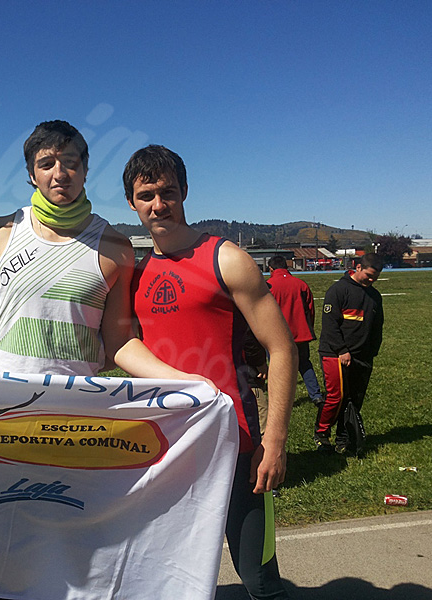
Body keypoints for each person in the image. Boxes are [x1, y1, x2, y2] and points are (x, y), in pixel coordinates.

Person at [0, 122, 213, 600]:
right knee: (5, 551)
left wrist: (186, 383)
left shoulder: (115, 247)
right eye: (47, 164)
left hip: (79, 424)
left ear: (85, 170)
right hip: (10, 421)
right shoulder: (2, 233)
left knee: (74, 551)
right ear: (31, 174)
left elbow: (118, 344)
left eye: (70, 163)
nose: (59, 173)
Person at [125, 145, 297, 600]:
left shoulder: (227, 258)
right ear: (132, 202)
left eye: (168, 192)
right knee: (162, 575)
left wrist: (275, 440)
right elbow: (123, 348)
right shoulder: (136, 274)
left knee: (259, 578)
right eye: (146, 195)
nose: (158, 205)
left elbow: (281, 348)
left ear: (184, 192)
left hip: (235, 443)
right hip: (167, 446)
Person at [315, 253, 384, 455]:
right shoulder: (338, 290)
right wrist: (342, 350)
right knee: (336, 396)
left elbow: (377, 327)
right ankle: (321, 433)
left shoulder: (374, 296)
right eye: (369, 276)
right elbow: (329, 325)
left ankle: (344, 437)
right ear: (358, 268)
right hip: (335, 354)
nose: (371, 280)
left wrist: (372, 351)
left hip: (363, 356)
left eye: (375, 278)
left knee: (355, 399)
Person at [267, 255, 324, 406]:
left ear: (271, 268)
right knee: (304, 364)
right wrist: (308, 328)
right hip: (300, 333)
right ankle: (316, 395)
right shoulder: (301, 284)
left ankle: (282, 399)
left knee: (277, 369)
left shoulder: (269, 286)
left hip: (276, 336)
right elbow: (310, 309)